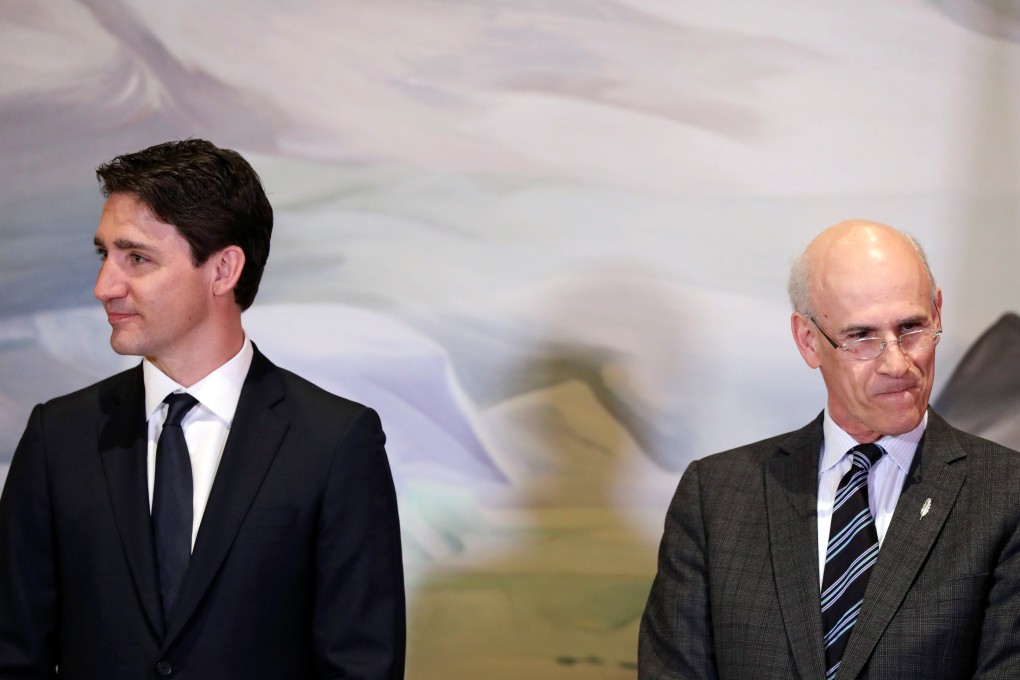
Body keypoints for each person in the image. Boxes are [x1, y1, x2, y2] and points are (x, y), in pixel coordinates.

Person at [0, 139, 406, 679]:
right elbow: (12, 658)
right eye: (105, 255)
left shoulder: (334, 441)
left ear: (222, 270)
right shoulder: (59, 436)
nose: (104, 286)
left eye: (137, 258)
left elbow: (361, 666)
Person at [638, 220, 1020, 679]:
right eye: (862, 336)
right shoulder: (715, 496)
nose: (897, 362)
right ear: (808, 340)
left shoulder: (1006, 494)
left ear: (937, 312)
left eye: (912, 327)